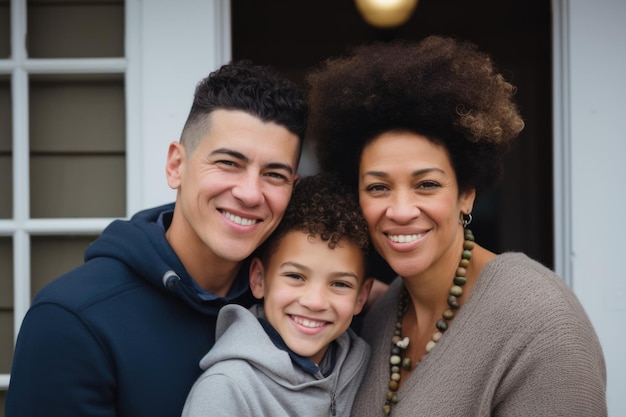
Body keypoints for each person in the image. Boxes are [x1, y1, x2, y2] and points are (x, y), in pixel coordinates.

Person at [306, 35, 607, 416]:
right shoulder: (380, 315)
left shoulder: (541, 321)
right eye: (378, 187)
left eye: (426, 184)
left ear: (466, 193)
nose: (400, 211)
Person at [6, 60, 308, 417]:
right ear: (176, 166)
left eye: (274, 174)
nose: (250, 193)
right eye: (229, 163)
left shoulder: (300, 306)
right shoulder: (72, 319)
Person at [181, 173, 373, 417]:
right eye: (295, 277)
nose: (314, 302)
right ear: (259, 279)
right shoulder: (225, 390)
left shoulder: (366, 367)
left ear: (361, 297)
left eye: (340, 284)